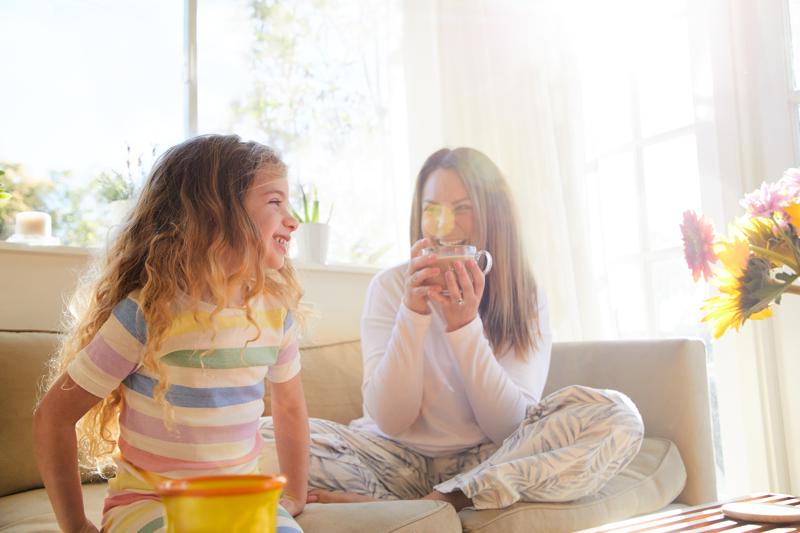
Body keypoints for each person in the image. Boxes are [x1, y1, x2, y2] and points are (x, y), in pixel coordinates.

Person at [274, 147, 644, 510]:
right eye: (432, 209)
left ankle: (438, 502)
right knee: (261, 438)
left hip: (484, 462)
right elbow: (390, 417)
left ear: (493, 216)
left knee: (617, 416)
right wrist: (413, 314)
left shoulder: (524, 297)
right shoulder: (390, 287)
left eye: (462, 208)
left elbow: (509, 427)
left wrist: (464, 327)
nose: (445, 225)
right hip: (387, 458)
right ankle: (426, 505)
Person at [33, 135, 308, 533]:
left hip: (243, 500)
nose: (292, 219)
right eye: (274, 202)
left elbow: (290, 408)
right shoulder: (147, 315)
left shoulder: (275, 315)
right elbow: (52, 419)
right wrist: (76, 526)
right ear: (216, 214)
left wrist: (296, 494)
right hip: (150, 504)